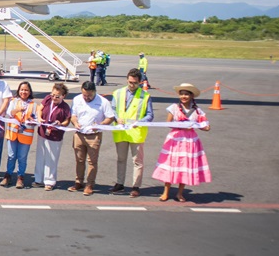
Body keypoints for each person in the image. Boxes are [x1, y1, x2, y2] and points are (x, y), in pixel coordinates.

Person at [153, 83, 211, 202]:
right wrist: (182, 126)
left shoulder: (197, 111)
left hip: (189, 141)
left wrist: (201, 126)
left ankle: (180, 193)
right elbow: (168, 123)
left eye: (186, 94)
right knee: (171, 164)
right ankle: (166, 192)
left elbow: (205, 126)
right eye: (182, 94)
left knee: (185, 166)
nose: (183, 96)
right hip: (175, 139)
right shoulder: (173, 107)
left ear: (191, 96)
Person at [111, 68, 154, 198]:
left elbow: (150, 115)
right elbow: (112, 109)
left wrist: (139, 121)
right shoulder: (118, 93)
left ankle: (136, 186)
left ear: (140, 82)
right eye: (130, 82)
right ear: (127, 80)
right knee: (121, 159)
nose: (132, 85)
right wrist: (116, 118)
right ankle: (120, 182)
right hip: (121, 131)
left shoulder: (145, 96)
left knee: (137, 161)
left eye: (135, 83)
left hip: (136, 132)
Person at [68, 81, 115, 196]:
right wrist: (75, 123)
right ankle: (78, 182)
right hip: (79, 133)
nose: (86, 98)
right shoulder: (77, 99)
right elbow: (73, 115)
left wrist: (100, 125)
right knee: (79, 160)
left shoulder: (103, 102)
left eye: (89, 95)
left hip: (94, 135)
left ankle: (89, 184)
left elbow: (111, 117)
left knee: (92, 161)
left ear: (94, 92)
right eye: (84, 95)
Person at [33, 82, 71, 191]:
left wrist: (61, 124)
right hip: (43, 132)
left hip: (55, 135)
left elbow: (67, 120)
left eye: (57, 96)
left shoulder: (65, 107)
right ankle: (38, 178)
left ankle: (49, 181)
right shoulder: (47, 99)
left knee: (52, 158)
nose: (54, 97)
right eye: (52, 95)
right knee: (41, 156)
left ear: (63, 96)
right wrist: (39, 118)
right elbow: (40, 108)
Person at [1, 81, 38, 188]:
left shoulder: (34, 105)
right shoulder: (14, 101)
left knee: (22, 157)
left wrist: (32, 120)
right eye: (22, 90)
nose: (24, 92)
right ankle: (8, 175)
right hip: (13, 133)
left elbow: (36, 119)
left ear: (30, 91)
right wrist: (18, 109)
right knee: (11, 156)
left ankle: (20, 177)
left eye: (26, 90)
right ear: (18, 91)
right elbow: (9, 113)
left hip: (25, 134)